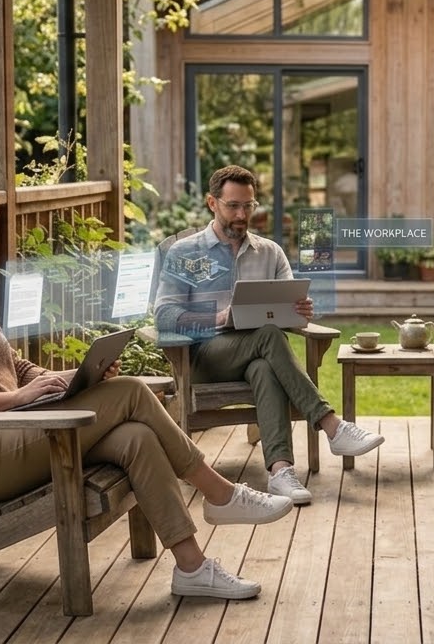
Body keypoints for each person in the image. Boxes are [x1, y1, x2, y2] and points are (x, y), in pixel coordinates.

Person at [0, 184, 292, 601]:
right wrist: (17, 399)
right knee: (129, 392)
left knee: (136, 439)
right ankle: (220, 494)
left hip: (17, 430)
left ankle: (192, 568)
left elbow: (12, 366)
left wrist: (67, 377)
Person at [154, 165, 383, 505]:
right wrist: (218, 317)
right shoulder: (184, 252)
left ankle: (280, 471)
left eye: (249, 206)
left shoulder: (269, 252)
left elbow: (286, 308)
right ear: (212, 203)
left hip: (255, 353)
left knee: (265, 364)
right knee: (269, 336)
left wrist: (300, 313)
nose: (242, 214)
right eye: (233, 205)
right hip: (203, 357)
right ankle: (330, 424)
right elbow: (164, 314)